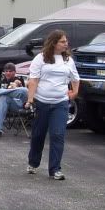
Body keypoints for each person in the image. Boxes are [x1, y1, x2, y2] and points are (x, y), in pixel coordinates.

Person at [24, 30, 79, 179]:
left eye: (66, 41)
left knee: (57, 135)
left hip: (60, 103)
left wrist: (74, 92)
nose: (66, 44)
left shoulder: (68, 60)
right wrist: (30, 99)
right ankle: (33, 163)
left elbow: (75, 78)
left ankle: (55, 169)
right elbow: (33, 80)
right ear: (54, 43)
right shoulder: (40, 58)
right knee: (38, 135)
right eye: (62, 41)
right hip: (42, 102)